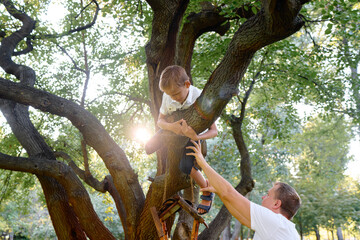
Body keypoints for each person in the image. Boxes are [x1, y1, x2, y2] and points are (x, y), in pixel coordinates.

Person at [187, 140, 301, 239]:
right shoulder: (281, 228)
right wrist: (219, 191)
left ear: (276, 203)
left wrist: (202, 162)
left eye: (268, 195)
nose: (263, 197)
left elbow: (229, 193)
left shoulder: (276, 223)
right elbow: (239, 214)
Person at [146, 65, 218, 215]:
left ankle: (207, 189)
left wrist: (196, 137)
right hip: (174, 129)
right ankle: (163, 140)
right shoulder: (169, 96)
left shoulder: (200, 98)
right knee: (148, 147)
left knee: (185, 166)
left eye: (176, 94)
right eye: (170, 95)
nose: (173, 98)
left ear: (187, 84)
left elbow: (214, 131)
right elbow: (160, 121)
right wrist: (171, 127)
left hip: (192, 135)